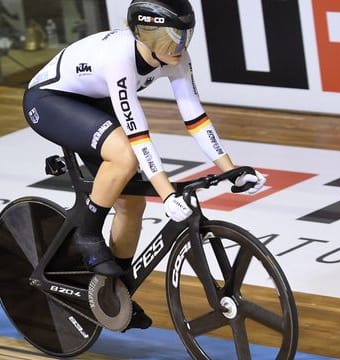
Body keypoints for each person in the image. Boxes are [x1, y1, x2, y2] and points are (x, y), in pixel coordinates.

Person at [22, 0, 265, 330]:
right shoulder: (120, 58)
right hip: (51, 100)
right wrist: (167, 194)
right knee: (124, 156)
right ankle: (87, 234)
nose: (180, 47)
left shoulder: (175, 57)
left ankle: (114, 291)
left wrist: (231, 169)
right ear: (145, 36)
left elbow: (195, 117)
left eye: (186, 37)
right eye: (172, 39)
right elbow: (138, 136)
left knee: (131, 203)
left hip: (94, 100)